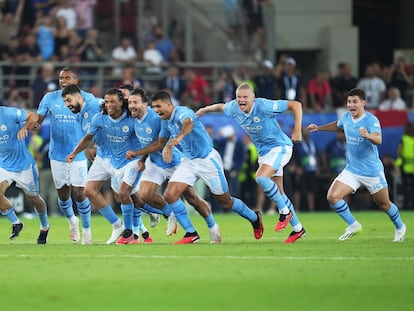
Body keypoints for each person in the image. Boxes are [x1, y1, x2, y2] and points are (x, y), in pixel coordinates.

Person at [130, 90, 263, 243]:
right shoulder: (165, 122)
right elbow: (161, 142)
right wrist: (167, 147)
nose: (156, 110)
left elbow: (189, 123)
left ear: (169, 105)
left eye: (159, 106)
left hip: (207, 161)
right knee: (170, 195)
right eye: (154, 107)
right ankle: (191, 233)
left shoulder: (182, 112)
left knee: (225, 201)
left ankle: (254, 218)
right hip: (189, 162)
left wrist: (179, 137)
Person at [197, 82, 306, 243]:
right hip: (264, 153)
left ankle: (284, 211)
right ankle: (298, 229)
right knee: (280, 193)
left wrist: (297, 130)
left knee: (261, 178)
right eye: (239, 97)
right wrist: (205, 110)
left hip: (280, 147)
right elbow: (221, 107)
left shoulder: (263, 105)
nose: (241, 100)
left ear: (253, 98)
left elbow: (296, 105)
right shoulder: (234, 107)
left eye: (245, 97)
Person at [307, 88, 407, 242]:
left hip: (372, 171)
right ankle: (353, 225)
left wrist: (368, 136)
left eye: (354, 102)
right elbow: (338, 125)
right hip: (352, 170)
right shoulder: (346, 117)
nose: (351, 105)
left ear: (363, 103)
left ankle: (400, 226)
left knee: (384, 204)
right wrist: (319, 128)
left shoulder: (371, 120)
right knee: (333, 197)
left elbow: (379, 139)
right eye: (349, 102)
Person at [125, 87, 221, 243]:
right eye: (129, 103)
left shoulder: (157, 117)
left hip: (173, 161)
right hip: (155, 163)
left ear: (145, 104)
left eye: (135, 102)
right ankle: (172, 216)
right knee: (144, 195)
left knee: (192, 199)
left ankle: (212, 226)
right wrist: (142, 160)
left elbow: (159, 142)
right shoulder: (135, 120)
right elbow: (147, 142)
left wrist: (139, 153)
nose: (131, 106)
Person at [66, 88, 151, 245]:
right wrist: (74, 152)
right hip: (105, 157)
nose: (109, 104)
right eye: (106, 101)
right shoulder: (99, 117)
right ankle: (117, 225)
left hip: (128, 161)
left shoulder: (132, 118)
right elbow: (87, 138)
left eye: (112, 101)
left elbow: (148, 132)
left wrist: (145, 157)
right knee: (89, 190)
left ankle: (149, 218)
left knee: (128, 196)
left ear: (120, 102)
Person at [36, 67, 93, 244]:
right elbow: (38, 118)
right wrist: (30, 123)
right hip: (57, 154)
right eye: (61, 78)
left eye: (67, 78)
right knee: (62, 194)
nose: (63, 81)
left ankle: (87, 231)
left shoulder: (88, 98)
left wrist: (92, 145)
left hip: (78, 155)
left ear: (76, 81)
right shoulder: (50, 98)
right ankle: (72, 222)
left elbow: (95, 121)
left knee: (80, 193)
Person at [0, 106, 50, 244]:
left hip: (24, 166)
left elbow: (33, 117)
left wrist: (25, 128)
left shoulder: (8, 113)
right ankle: (16, 223)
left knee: (34, 199)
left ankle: (44, 226)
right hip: (3, 166)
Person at [396, 122, 414, 210]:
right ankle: (409, 205)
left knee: (405, 187)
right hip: (409, 165)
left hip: (405, 166)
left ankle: (406, 205)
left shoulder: (404, 139)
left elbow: (399, 151)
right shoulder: (407, 139)